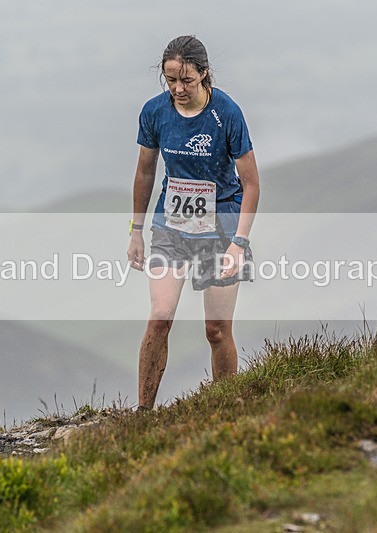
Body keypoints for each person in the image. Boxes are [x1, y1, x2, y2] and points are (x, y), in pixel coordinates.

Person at [127, 35, 260, 410]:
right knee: (160, 316)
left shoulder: (227, 113)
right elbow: (144, 172)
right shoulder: (155, 112)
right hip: (171, 225)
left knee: (216, 330)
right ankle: (142, 415)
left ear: (205, 74)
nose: (178, 88)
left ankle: (225, 412)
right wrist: (136, 231)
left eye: (186, 80)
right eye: (170, 80)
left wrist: (240, 242)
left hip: (221, 226)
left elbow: (251, 183)